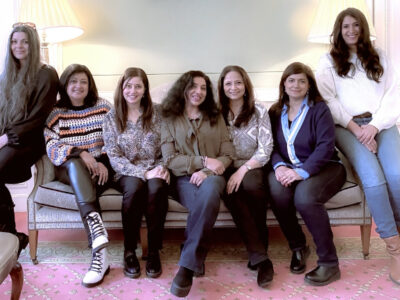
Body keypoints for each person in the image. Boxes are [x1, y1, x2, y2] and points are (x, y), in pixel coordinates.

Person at [316, 7, 400, 285]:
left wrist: (374, 127)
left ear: (363, 28)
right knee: (374, 181)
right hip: (348, 127)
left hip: (381, 124)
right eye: (345, 26)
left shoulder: (380, 57)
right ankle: (395, 250)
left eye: (356, 25)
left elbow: (393, 95)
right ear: (339, 31)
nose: (351, 31)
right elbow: (328, 101)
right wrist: (358, 129)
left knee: (397, 175)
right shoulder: (328, 61)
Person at [268, 62, 346, 286]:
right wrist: (279, 167)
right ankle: (299, 247)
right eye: (291, 80)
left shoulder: (319, 109)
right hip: (287, 167)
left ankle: (330, 264)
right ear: (284, 84)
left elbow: (325, 146)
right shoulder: (275, 111)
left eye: (302, 80)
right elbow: (269, 146)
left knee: (305, 198)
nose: (296, 85)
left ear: (309, 85)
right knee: (277, 191)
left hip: (325, 167)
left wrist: (302, 172)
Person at [161, 70, 233, 297]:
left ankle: (186, 267)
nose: (198, 92)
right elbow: (170, 159)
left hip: (213, 177)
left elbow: (228, 153)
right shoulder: (169, 118)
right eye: (193, 86)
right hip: (183, 180)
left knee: (210, 190)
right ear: (183, 89)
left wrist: (206, 171)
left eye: (203, 88)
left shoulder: (216, 115)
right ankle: (195, 255)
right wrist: (202, 161)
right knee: (205, 200)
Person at [44, 64, 113, 288]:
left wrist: (102, 162)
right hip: (69, 169)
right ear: (65, 84)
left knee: (88, 182)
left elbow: (116, 138)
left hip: (101, 168)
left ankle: (99, 259)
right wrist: (81, 153)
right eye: (73, 81)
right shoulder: (56, 112)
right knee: (75, 167)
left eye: (83, 81)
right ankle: (96, 227)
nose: (78, 86)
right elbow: (52, 146)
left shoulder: (103, 107)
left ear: (89, 84)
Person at [103, 67, 169, 279]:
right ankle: (129, 251)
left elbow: (168, 145)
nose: (133, 90)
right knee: (134, 188)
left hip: (155, 166)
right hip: (125, 172)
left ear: (145, 89)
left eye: (138, 86)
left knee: (157, 188)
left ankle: (153, 252)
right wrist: (142, 173)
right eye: (128, 86)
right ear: (122, 88)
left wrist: (163, 167)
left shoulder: (158, 113)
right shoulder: (112, 117)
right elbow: (113, 156)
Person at [0, 23, 58, 255]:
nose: (19, 46)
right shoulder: (7, 75)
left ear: (32, 45)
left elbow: (39, 116)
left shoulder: (46, 73)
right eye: (14, 41)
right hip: (8, 137)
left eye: (24, 41)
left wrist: (6, 138)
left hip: (31, 139)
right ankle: (12, 237)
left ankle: (10, 236)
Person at [217, 65, 274, 287]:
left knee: (251, 186)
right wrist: (229, 169)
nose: (234, 87)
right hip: (225, 166)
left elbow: (266, 148)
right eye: (228, 83)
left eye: (238, 82)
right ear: (222, 87)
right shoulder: (216, 114)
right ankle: (260, 257)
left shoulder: (259, 111)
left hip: (253, 165)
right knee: (231, 192)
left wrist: (243, 169)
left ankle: (260, 247)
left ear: (245, 84)